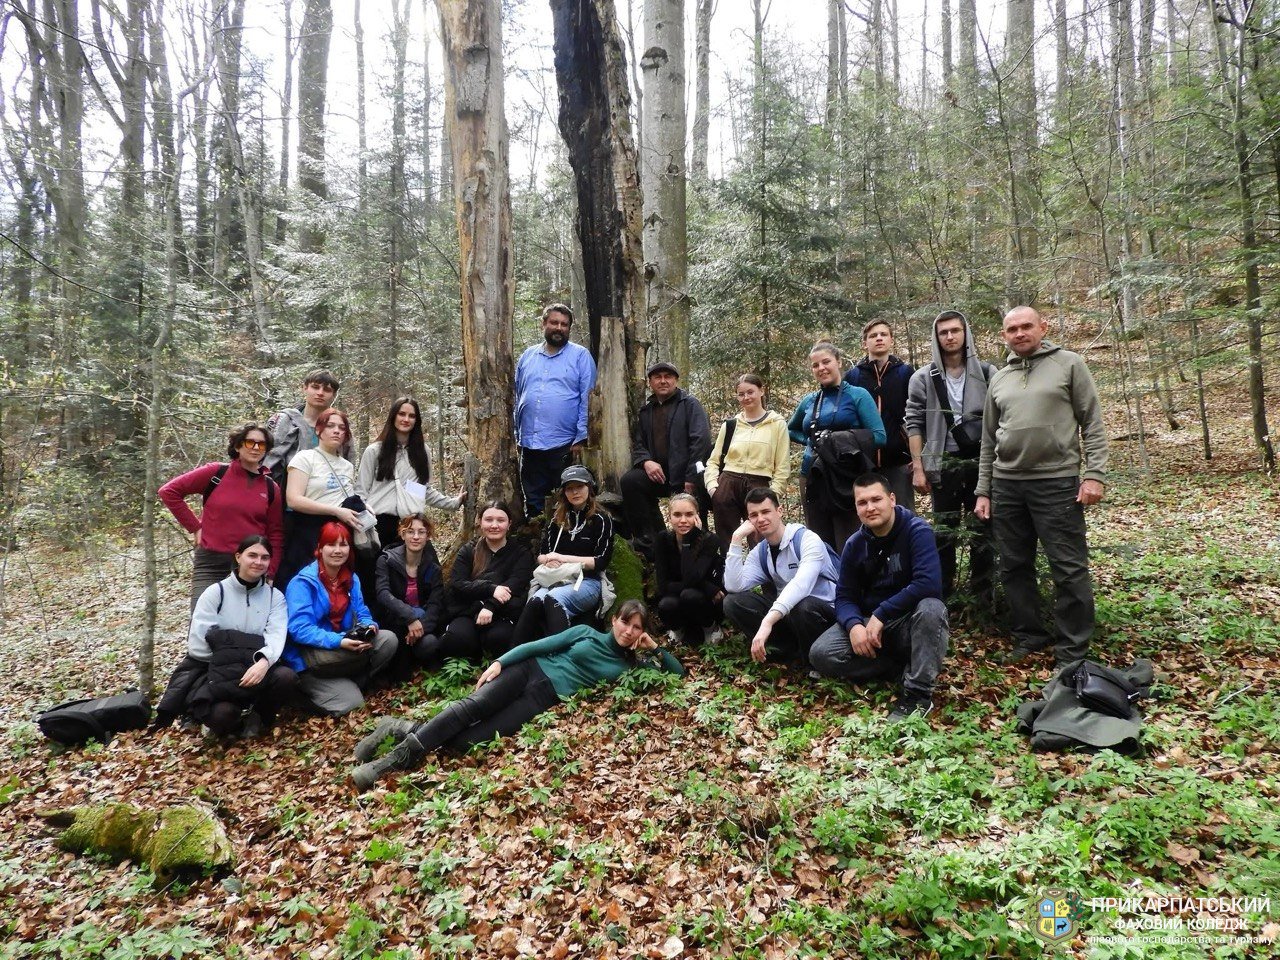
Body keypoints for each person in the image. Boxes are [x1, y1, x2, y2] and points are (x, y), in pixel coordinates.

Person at [349, 600, 683, 790]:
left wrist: (654, 648)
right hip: (528, 670)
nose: (629, 631)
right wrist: (499, 662)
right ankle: (390, 762)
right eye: (626, 623)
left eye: (637, 628)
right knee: (472, 706)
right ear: (614, 620)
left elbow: (676, 673)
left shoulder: (629, 667)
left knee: (471, 740)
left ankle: (399, 727)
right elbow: (539, 645)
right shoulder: (585, 632)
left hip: (543, 698)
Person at [974, 306, 1108, 668]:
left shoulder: (1069, 364)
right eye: (1011, 329)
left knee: (1068, 567)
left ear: (1042, 327)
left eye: (1026, 326)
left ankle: (1072, 649)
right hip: (1007, 485)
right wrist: (983, 490)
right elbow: (989, 439)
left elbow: (1091, 421)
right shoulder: (1000, 378)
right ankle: (1029, 634)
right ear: (1004, 335)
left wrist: (1094, 474)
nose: (1019, 333)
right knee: (1015, 566)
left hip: (1056, 482)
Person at [809, 473, 949, 720]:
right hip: (869, 623)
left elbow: (928, 584)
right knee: (821, 653)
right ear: (856, 507)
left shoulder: (917, 531)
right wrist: (854, 626)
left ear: (892, 499)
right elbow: (844, 596)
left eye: (876, 499)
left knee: (932, 608)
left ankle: (918, 694)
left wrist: (882, 613)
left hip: (908, 620)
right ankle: (897, 667)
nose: (870, 507)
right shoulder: (855, 544)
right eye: (862, 503)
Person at [153, 535, 297, 738]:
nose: (258, 562)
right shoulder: (215, 593)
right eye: (252, 555)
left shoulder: (275, 597)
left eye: (264, 557)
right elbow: (199, 642)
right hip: (218, 673)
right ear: (238, 557)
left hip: (256, 668)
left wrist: (264, 661)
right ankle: (228, 723)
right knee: (223, 716)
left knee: (286, 678)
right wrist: (237, 657)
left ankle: (259, 716)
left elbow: (276, 634)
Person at [904, 309, 996, 604]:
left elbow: (999, 419)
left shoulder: (986, 373)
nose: (950, 337)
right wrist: (919, 467)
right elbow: (914, 422)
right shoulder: (923, 378)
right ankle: (943, 597)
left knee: (983, 531)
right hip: (942, 464)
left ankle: (983, 597)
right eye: (943, 332)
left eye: (955, 331)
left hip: (981, 463)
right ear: (936, 337)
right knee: (944, 535)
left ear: (965, 333)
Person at [159, 423, 284, 608]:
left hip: (250, 566)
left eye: (262, 444)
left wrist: (270, 572)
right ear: (237, 446)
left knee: (241, 628)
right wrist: (195, 527)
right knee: (201, 624)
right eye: (250, 442)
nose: (256, 448)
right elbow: (169, 491)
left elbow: (275, 533)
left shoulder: (270, 488)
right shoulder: (216, 473)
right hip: (211, 563)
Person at [284, 521, 399, 717]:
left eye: (343, 544)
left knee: (387, 639)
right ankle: (308, 694)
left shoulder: (351, 578)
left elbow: (361, 611)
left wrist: (369, 627)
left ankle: (352, 681)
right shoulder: (302, 583)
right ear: (320, 549)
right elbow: (299, 629)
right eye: (331, 545)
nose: (338, 550)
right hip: (312, 658)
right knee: (352, 704)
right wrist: (339, 641)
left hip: (342, 648)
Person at [722, 487, 838, 665]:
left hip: (823, 615)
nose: (760, 519)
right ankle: (787, 652)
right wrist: (736, 539)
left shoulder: (807, 540)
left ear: (779, 511)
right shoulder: (761, 552)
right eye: (754, 515)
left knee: (802, 605)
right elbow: (733, 586)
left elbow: (802, 585)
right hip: (789, 615)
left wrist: (767, 622)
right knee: (733, 602)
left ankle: (812, 660)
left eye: (766, 511)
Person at [788, 341, 886, 549]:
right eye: (815, 365)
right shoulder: (810, 401)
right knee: (819, 540)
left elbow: (879, 436)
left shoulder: (858, 395)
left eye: (826, 362)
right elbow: (791, 429)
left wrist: (836, 442)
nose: (821, 368)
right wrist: (811, 441)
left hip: (846, 477)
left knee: (850, 538)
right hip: (812, 475)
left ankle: (854, 581)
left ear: (838, 362)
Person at [511, 466, 615, 646]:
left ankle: (561, 658)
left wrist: (563, 558)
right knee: (535, 601)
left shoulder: (601, 519)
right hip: (555, 578)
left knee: (554, 599)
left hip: (587, 582)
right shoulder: (557, 519)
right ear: (563, 492)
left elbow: (600, 562)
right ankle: (512, 656)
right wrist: (548, 560)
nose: (575, 492)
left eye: (579, 487)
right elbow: (542, 555)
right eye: (569, 488)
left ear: (589, 488)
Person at [620, 361, 713, 553]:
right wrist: (646, 461)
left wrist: (691, 477)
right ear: (650, 382)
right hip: (660, 475)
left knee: (694, 508)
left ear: (676, 380)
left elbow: (701, 441)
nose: (663, 381)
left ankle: (700, 550)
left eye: (668, 377)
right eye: (657, 377)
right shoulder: (647, 411)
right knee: (631, 481)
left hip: (687, 475)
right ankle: (650, 542)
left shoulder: (690, 405)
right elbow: (639, 443)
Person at [514, 304, 597, 516]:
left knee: (567, 500)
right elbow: (519, 396)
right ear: (544, 324)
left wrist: (580, 437)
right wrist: (517, 435)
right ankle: (538, 545)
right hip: (530, 444)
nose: (559, 328)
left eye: (564, 324)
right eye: (554, 323)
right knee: (533, 501)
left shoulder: (580, 356)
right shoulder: (527, 356)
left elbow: (588, 398)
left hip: (565, 445)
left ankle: (567, 544)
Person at [432, 501, 535, 663]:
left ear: (509, 524)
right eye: (488, 520)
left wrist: (490, 605)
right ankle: (472, 653)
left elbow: (515, 584)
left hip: (502, 613)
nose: (494, 525)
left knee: (500, 639)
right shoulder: (468, 550)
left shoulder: (520, 553)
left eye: (500, 520)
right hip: (467, 611)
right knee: (455, 641)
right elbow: (457, 583)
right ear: (479, 522)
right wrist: (490, 588)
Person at [358, 397, 465, 552]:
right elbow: (361, 491)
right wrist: (362, 525)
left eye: (412, 416)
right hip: (379, 524)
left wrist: (454, 503)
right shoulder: (374, 451)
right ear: (393, 416)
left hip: (410, 526)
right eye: (402, 414)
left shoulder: (422, 452)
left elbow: (422, 490)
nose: (406, 419)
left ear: (417, 420)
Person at [276, 407, 365, 591]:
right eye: (330, 426)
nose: (336, 431)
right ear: (319, 430)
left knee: (335, 585)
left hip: (338, 534)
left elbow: (344, 497)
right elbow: (293, 499)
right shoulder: (304, 458)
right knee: (303, 583)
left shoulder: (347, 466)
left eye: (342, 428)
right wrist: (334, 510)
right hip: (307, 532)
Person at [702, 374, 791, 547]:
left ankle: (761, 574)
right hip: (727, 484)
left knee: (760, 539)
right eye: (741, 394)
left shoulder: (777, 424)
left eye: (750, 392)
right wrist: (713, 488)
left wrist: (773, 494)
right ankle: (728, 573)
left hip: (759, 484)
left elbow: (782, 465)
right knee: (726, 541)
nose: (746, 397)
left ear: (761, 391)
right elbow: (713, 460)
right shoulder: (731, 425)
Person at [844, 320, 916, 509]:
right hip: (863, 461)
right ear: (864, 343)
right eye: (873, 336)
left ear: (891, 340)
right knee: (869, 514)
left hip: (898, 459)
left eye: (883, 334)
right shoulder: (853, 377)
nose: (879, 338)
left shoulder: (905, 373)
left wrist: (917, 457)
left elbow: (917, 415)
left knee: (902, 512)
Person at [374, 514, 444, 675]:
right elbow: (383, 593)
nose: (416, 537)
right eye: (411, 531)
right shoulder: (386, 560)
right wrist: (410, 617)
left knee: (430, 644)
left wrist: (420, 628)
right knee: (400, 673)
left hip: (421, 625)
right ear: (403, 534)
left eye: (421, 532)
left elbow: (435, 604)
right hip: (395, 623)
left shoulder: (433, 567)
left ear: (428, 536)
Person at [654, 493, 724, 647]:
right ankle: (679, 631)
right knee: (666, 605)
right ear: (669, 517)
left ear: (697, 516)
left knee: (690, 594)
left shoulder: (710, 540)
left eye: (689, 514)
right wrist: (708, 587)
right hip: (684, 597)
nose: (683, 520)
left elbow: (693, 577)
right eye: (677, 515)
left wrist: (687, 543)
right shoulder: (663, 539)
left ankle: (711, 629)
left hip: (705, 603)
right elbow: (663, 586)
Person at [263, 369, 353, 487]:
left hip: (327, 495)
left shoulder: (340, 427)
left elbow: (348, 460)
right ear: (305, 388)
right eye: (315, 387)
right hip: (282, 491)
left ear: (334, 395)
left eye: (327, 390)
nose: (320, 393)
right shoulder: (284, 421)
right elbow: (265, 457)